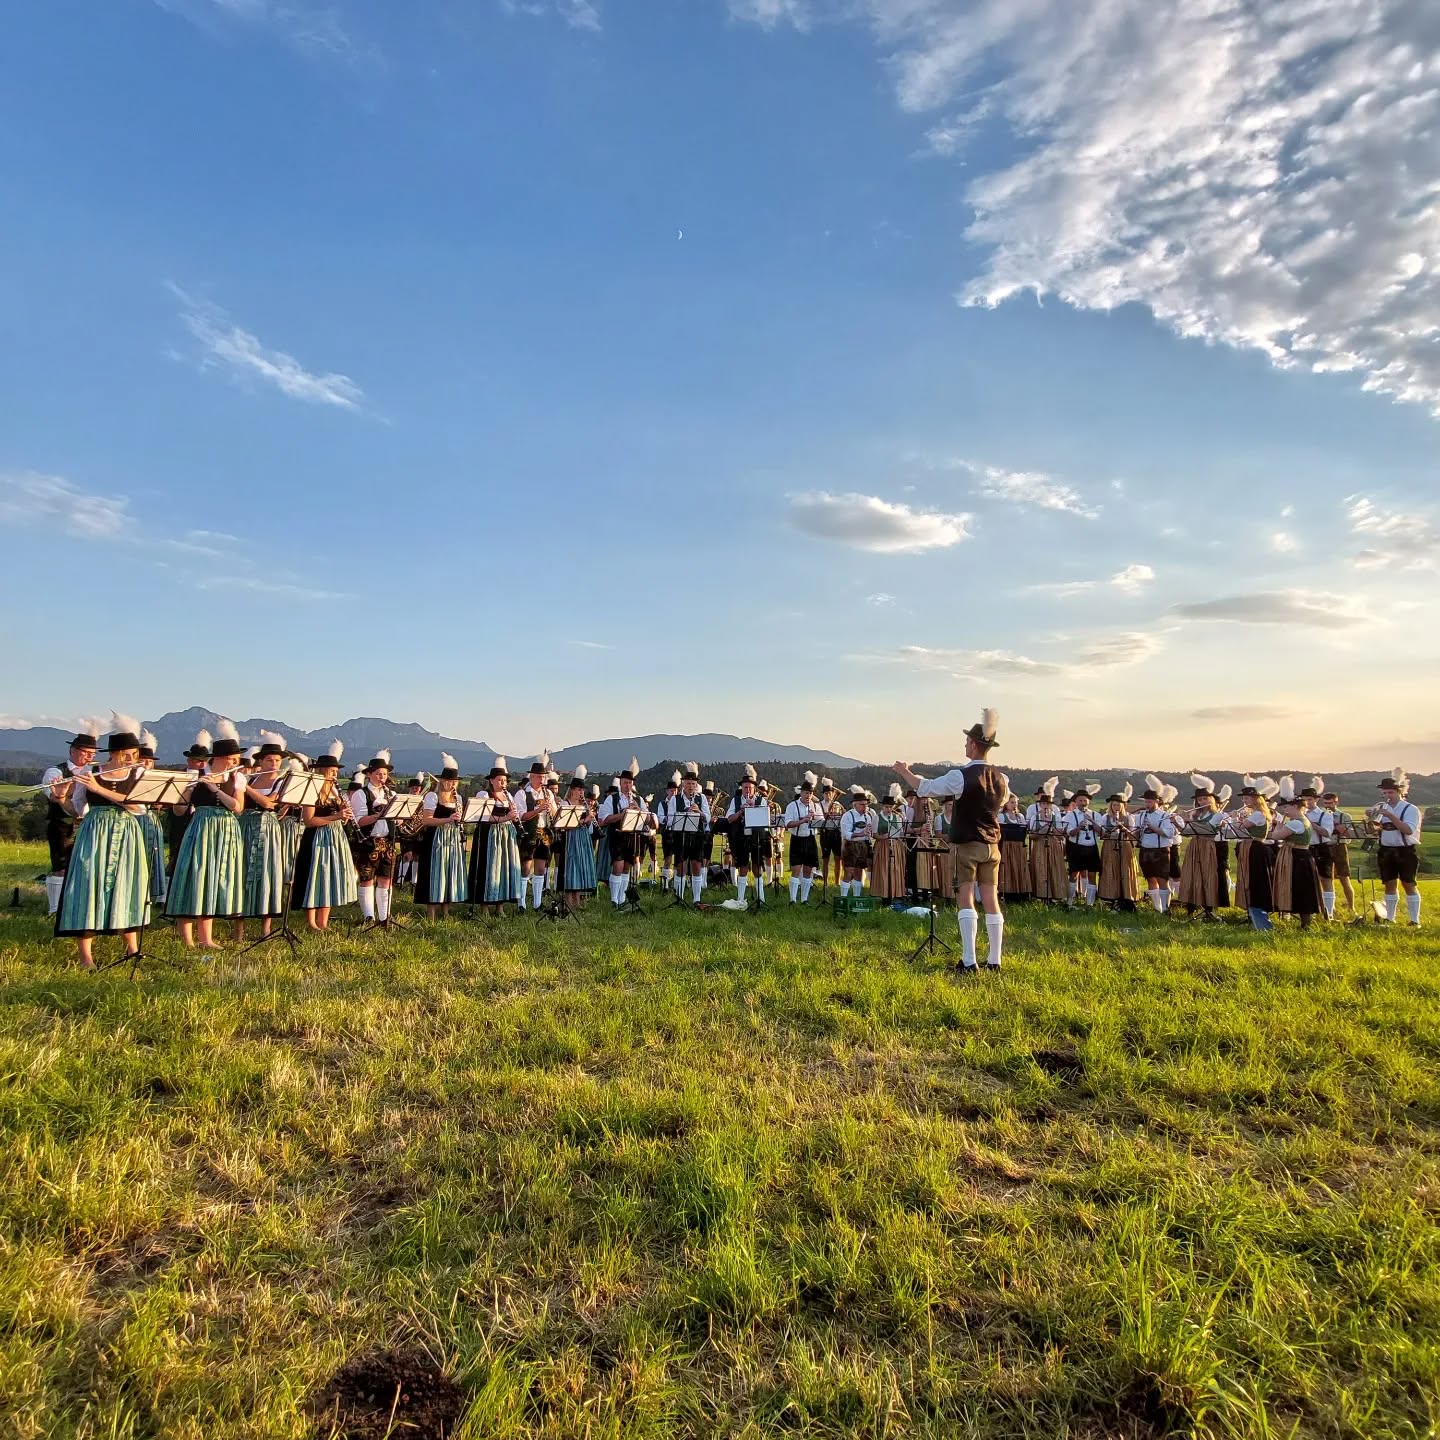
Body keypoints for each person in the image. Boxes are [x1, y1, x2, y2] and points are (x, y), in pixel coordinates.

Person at [893, 707, 1008, 973]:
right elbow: (999, 804)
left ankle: (969, 961)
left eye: (967, 740)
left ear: (974, 744)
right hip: (992, 845)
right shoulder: (1003, 779)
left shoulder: (960, 777)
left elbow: (926, 788)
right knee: (990, 898)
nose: (965, 744)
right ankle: (995, 960)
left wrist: (904, 772)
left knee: (965, 897)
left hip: (966, 843)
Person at [54, 714, 151, 970]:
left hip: (126, 831)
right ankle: (86, 955)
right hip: (94, 831)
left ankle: (132, 947)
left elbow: (138, 807)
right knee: (87, 883)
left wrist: (99, 789)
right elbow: (77, 810)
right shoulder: (91, 772)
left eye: (135, 753)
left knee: (127, 883)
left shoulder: (139, 773)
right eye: (128, 754)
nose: (132, 758)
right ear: (116, 753)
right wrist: (61, 796)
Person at [168, 718, 246, 949]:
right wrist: (185, 790)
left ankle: (206, 939)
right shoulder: (196, 775)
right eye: (231, 759)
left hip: (226, 829)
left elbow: (237, 807)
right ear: (218, 758)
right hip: (201, 828)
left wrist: (214, 788)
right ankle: (188, 940)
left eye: (235, 759)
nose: (234, 763)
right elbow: (179, 811)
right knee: (194, 876)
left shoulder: (236, 778)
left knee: (214, 880)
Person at [293, 741, 358, 931]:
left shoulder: (336, 792)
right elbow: (309, 820)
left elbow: (339, 817)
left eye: (336, 772)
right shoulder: (311, 790)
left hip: (335, 837)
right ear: (321, 771)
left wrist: (344, 817)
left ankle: (323, 921)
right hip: (317, 839)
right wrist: (336, 816)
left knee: (330, 877)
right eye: (331, 772)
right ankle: (312, 922)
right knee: (315, 877)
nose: (334, 776)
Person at [42, 721, 100, 916]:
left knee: (85, 866)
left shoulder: (95, 772)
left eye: (92, 754)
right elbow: (50, 794)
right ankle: (56, 909)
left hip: (88, 824)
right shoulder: (56, 771)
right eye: (85, 752)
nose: (90, 757)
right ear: (73, 751)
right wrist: (63, 790)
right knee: (61, 865)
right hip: (62, 824)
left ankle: (79, 905)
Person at [236, 729, 289, 941]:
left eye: (277, 760)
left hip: (268, 829)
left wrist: (244, 787)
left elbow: (269, 803)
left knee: (268, 873)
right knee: (242, 873)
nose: (274, 764)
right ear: (262, 761)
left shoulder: (281, 781)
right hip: (246, 827)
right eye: (270, 760)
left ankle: (265, 929)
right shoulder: (251, 778)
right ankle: (238, 931)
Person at [350, 749, 399, 927]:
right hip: (368, 841)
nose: (382, 777)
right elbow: (360, 821)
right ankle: (369, 916)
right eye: (378, 774)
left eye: (384, 774)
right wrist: (379, 815)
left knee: (386, 878)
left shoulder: (391, 795)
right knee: (367, 878)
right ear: (369, 774)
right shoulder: (361, 794)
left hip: (387, 841)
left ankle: (384, 916)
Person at [415, 753, 468, 919]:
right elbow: (426, 820)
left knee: (450, 871)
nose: (451, 784)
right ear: (442, 781)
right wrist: (447, 819)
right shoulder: (432, 796)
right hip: (436, 838)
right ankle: (431, 912)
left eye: (454, 782)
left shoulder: (458, 798)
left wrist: (460, 821)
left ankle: (446, 911)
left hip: (453, 838)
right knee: (435, 872)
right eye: (448, 781)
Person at [469, 757, 524, 913]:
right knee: (488, 868)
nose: (503, 783)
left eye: (505, 781)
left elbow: (514, 815)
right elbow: (484, 816)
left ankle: (500, 906)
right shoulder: (484, 795)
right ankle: (484, 906)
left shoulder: (508, 796)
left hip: (506, 836)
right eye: (500, 780)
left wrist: (514, 817)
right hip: (490, 835)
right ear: (491, 781)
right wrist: (506, 818)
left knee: (503, 869)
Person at [1269, 777, 1322, 928]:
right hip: (1301, 856)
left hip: (1297, 857)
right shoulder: (1303, 820)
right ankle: (1301, 919)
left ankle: (1305, 922)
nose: (1285, 811)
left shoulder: (1296, 823)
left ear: (1295, 806)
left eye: (1286, 808)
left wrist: (1277, 828)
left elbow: (1276, 836)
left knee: (1300, 887)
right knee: (1300, 887)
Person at [597, 758, 650, 907]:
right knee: (618, 866)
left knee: (627, 867)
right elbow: (603, 820)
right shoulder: (611, 799)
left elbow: (646, 820)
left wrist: (639, 811)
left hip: (633, 836)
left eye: (630, 782)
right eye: (625, 782)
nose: (628, 785)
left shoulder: (638, 800)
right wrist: (623, 814)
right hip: (618, 835)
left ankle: (622, 898)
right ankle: (614, 899)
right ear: (620, 783)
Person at [1372, 768, 1423, 926]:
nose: (1387, 796)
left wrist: (1391, 816)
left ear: (1399, 792)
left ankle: (1414, 920)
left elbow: (1408, 829)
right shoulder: (1383, 807)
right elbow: (1373, 831)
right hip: (1386, 850)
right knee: (1389, 883)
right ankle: (1390, 918)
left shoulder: (1410, 809)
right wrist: (1371, 820)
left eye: (1390, 793)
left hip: (1405, 850)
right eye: (1385, 793)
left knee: (1408, 883)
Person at [1176, 776, 1231, 919]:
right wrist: (1178, 823)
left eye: (1205, 799)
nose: (1202, 802)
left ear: (1211, 800)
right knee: (1192, 875)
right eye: (1200, 800)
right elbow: (1187, 832)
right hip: (1195, 846)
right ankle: (1191, 906)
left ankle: (1208, 908)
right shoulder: (1197, 815)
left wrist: (1189, 821)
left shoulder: (1217, 815)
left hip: (1208, 846)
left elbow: (1208, 828)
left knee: (1206, 876)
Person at [657, 763, 711, 904]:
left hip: (697, 835)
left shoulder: (701, 798)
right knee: (680, 865)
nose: (690, 787)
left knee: (696, 865)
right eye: (688, 784)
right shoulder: (676, 799)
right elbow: (669, 820)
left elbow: (708, 817)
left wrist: (698, 811)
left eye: (693, 784)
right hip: (680, 836)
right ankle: (679, 897)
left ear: (696, 785)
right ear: (683, 784)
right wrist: (683, 814)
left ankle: (696, 899)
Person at [167, 728, 212, 885]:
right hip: (179, 818)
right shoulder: (179, 775)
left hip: (198, 819)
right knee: (176, 853)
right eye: (195, 760)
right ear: (189, 760)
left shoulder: (208, 778)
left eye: (202, 761)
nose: (199, 764)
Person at [1232, 777, 1278, 929]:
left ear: (1256, 799)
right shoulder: (1256, 813)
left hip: (1255, 848)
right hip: (1251, 847)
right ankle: (1252, 914)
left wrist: (1234, 819)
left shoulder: (1258, 814)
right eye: (1244, 798)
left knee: (1254, 879)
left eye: (1247, 798)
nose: (1244, 800)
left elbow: (1242, 828)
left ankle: (1259, 917)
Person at [514, 754, 557, 911]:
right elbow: (521, 816)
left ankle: (537, 903)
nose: (542, 780)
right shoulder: (522, 794)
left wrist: (550, 808)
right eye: (539, 777)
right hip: (529, 832)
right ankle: (521, 903)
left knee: (541, 868)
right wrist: (538, 809)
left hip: (544, 831)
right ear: (531, 777)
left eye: (543, 777)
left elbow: (554, 814)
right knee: (525, 868)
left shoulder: (548, 794)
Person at [134, 729, 169, 909]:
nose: (147, 764)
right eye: (143, 761)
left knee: (153, 857)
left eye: (149, 762)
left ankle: (151, 894)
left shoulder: (155, 779)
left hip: (150, 818)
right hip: (134, 818)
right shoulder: (131, 777)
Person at [725, 766, 770, 905]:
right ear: (742, 788)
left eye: (750, 788)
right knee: (743, 866)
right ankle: (740, 899)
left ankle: (761, 898)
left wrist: (754, 808)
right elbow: (729, 819)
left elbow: (765, 820)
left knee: (757, 866)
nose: (748, 790)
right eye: (745, 788)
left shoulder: (761, 800)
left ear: (754, 789)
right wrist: (740, 811)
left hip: (757, 837)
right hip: (740, 837)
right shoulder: (736, 800)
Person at [1134, 775, 1179, 914]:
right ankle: (1156, 907)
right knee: (1150, 878)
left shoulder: (1164, 815)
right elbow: (1136, 835)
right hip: (1145, 850)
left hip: (1161, 850)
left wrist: (1153, 828)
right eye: (1146, 801)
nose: (1147, 804)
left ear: (1156, 802)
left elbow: (1170, 833)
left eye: (1150, 801)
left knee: (1162, 879)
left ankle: (1166, 908)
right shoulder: (1140, 816)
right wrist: (1135, 832)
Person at [558, 767, 598, 911]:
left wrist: (589, 820)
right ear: (572, 790)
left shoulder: (583, 805)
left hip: (582, 838)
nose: (581, 792)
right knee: (571, 868)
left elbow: (586, 824)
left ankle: (578, 900)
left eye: (582, 790)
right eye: (579, 789)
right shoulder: (565, 805)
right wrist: (585, 820)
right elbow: (565, 824)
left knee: (581, 867)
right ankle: (569, 901)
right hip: (570, 838)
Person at [1096, 785, 1139, 910]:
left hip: (1124, 844)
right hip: (1110, 844)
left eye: (1118, 805)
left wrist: (1123, 828)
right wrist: (1110, 830)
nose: (1116, 807)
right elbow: (1103, 833)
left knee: (1125, 869)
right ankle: (1110, 896)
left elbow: (1132, 833)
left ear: (1123, 806)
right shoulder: (1105, 817)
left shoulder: (1129, 817)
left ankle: (1126, 896)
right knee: (1110, 869)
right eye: (1114, 805)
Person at [782, 772, 822, 904]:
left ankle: (804, 899)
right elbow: (787, 824)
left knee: (808, 870)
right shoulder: (792, 806)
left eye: (810, 793)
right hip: (797, 839)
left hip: (810, 839)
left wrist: (815, 817)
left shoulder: (816, 806)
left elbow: (822, 822)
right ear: (801, 793)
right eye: (806, 793)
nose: (808, 796)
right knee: (795, 870)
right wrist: (802, 820)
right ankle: (792, 899)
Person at [1300, 779, 1336, 920]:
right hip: (1305, 848)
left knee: (1326, 879)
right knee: (1307, 880)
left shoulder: (1325, 815)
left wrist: (1310, 823)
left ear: (1316, 800)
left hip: (1321, 848)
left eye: (1309, 799)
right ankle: (1312, 910)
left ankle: (1329, 912)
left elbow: (1327, 832)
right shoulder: (1299, 815)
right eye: (1304, 800)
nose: (1307, 802)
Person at [1025, 779, 1066, 903]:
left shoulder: (1056, 816)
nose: (1045, 806)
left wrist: (1052, 827)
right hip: (1039, 845)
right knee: (1040, 868)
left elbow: (1060, 835)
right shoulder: (1035, 817)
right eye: (1043, 804)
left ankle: (1055, 895)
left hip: (1053, 845)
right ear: (1040, 805)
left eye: (1048, 804)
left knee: (1054, 868)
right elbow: (1031, 836)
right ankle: (1041, 895)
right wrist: (1041, 829)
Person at [1061, 784, 1102, 905]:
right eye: (1080, 800)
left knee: (1092, 874)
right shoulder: (1070, 815)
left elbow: (1102, 832)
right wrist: (1079, 827)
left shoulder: (1095, 815)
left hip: (1091, 847)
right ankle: (1070, 901)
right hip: (1076, 847)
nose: (1083, 802)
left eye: (1085, 800)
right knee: (1074, 874)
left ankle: (1089, 903)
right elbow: (1069, 833)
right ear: (1076, 802)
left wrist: (1092, 822)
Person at [1322, 791, 1358, 918]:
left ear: (1336, 802)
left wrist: (1340, 828)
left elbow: (1350, 836)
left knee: (1344, 878)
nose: (1327, 806)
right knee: (1326, 879)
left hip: (1339, 847)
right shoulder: (1321, 815)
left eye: (1330, 803)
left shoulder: (1344, 816)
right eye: (1325, 803)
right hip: (1325, 847)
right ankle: (1330, 907)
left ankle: (1351, 906)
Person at [870, 783, 907, 902]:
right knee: (884, 870)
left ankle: (896, 893)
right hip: (883, 845)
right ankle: (884, 895)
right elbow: (874, 834)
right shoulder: (877, 818)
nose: (889, 809)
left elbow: (901, 833)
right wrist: (882, 837)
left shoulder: (897, 817)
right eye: (886, 807)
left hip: (896, 845)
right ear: (883, 807)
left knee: (896, 869)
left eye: (891, 807)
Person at [838, 785, 876, 900]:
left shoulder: (868, 817)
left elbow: (870, 832)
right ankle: (843, 898)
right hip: (850, 845)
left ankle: (856, 898)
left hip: (864, 844)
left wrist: (869, 834)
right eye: (862, 804)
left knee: (859, 872)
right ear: (855, 804)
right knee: (849, 872)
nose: (865, 807)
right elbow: (846, 834)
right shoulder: (847, 816)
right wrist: (861, 833)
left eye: (866, 804)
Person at [997, 792, 1031, 904]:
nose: (1014, 804)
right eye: (1012, 802)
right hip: (1006, 846)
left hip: (1018, 846)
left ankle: (1019, 892)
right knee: (1007, 867)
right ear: (1006, 803)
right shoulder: (1001, 816)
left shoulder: (1020, 817)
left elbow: (1024, 830)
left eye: (1015, 802)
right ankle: (1005, 892)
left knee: (1018, 867)